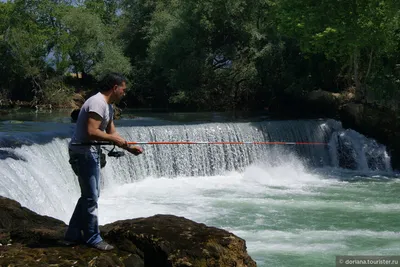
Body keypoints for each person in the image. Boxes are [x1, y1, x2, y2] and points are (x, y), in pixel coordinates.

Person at [65, 72, 143, 250]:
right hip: (82, 152)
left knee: (89, 196)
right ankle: (92, 237)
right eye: (123, 89)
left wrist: (129, 148)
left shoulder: (108, 107)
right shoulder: (97, 102)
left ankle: (72, 234)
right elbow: (91, 131)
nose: (124, 92)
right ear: (115, 88)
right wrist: (114, 140)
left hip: (90, 152)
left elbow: (113, 133)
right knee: (91, 196)